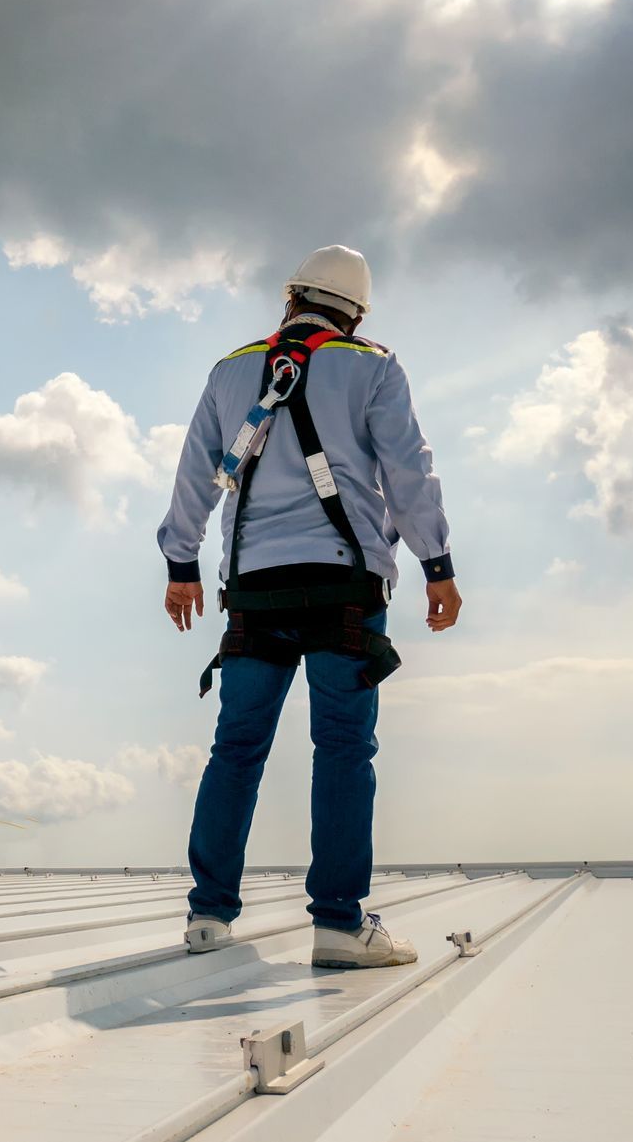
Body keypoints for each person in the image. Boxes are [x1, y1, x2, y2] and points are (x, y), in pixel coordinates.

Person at [155, 245, 460, 967]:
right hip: (343, 591)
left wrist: (180, 563)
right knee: (345, 749)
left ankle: (208, 916)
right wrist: (436, 564)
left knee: (236, 749)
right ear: (354, 312)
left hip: (253, 592)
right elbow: (408, 470)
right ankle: (338, 923)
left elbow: (197, 468)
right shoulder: (373, 364)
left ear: (290, 299)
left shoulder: (231, 369)